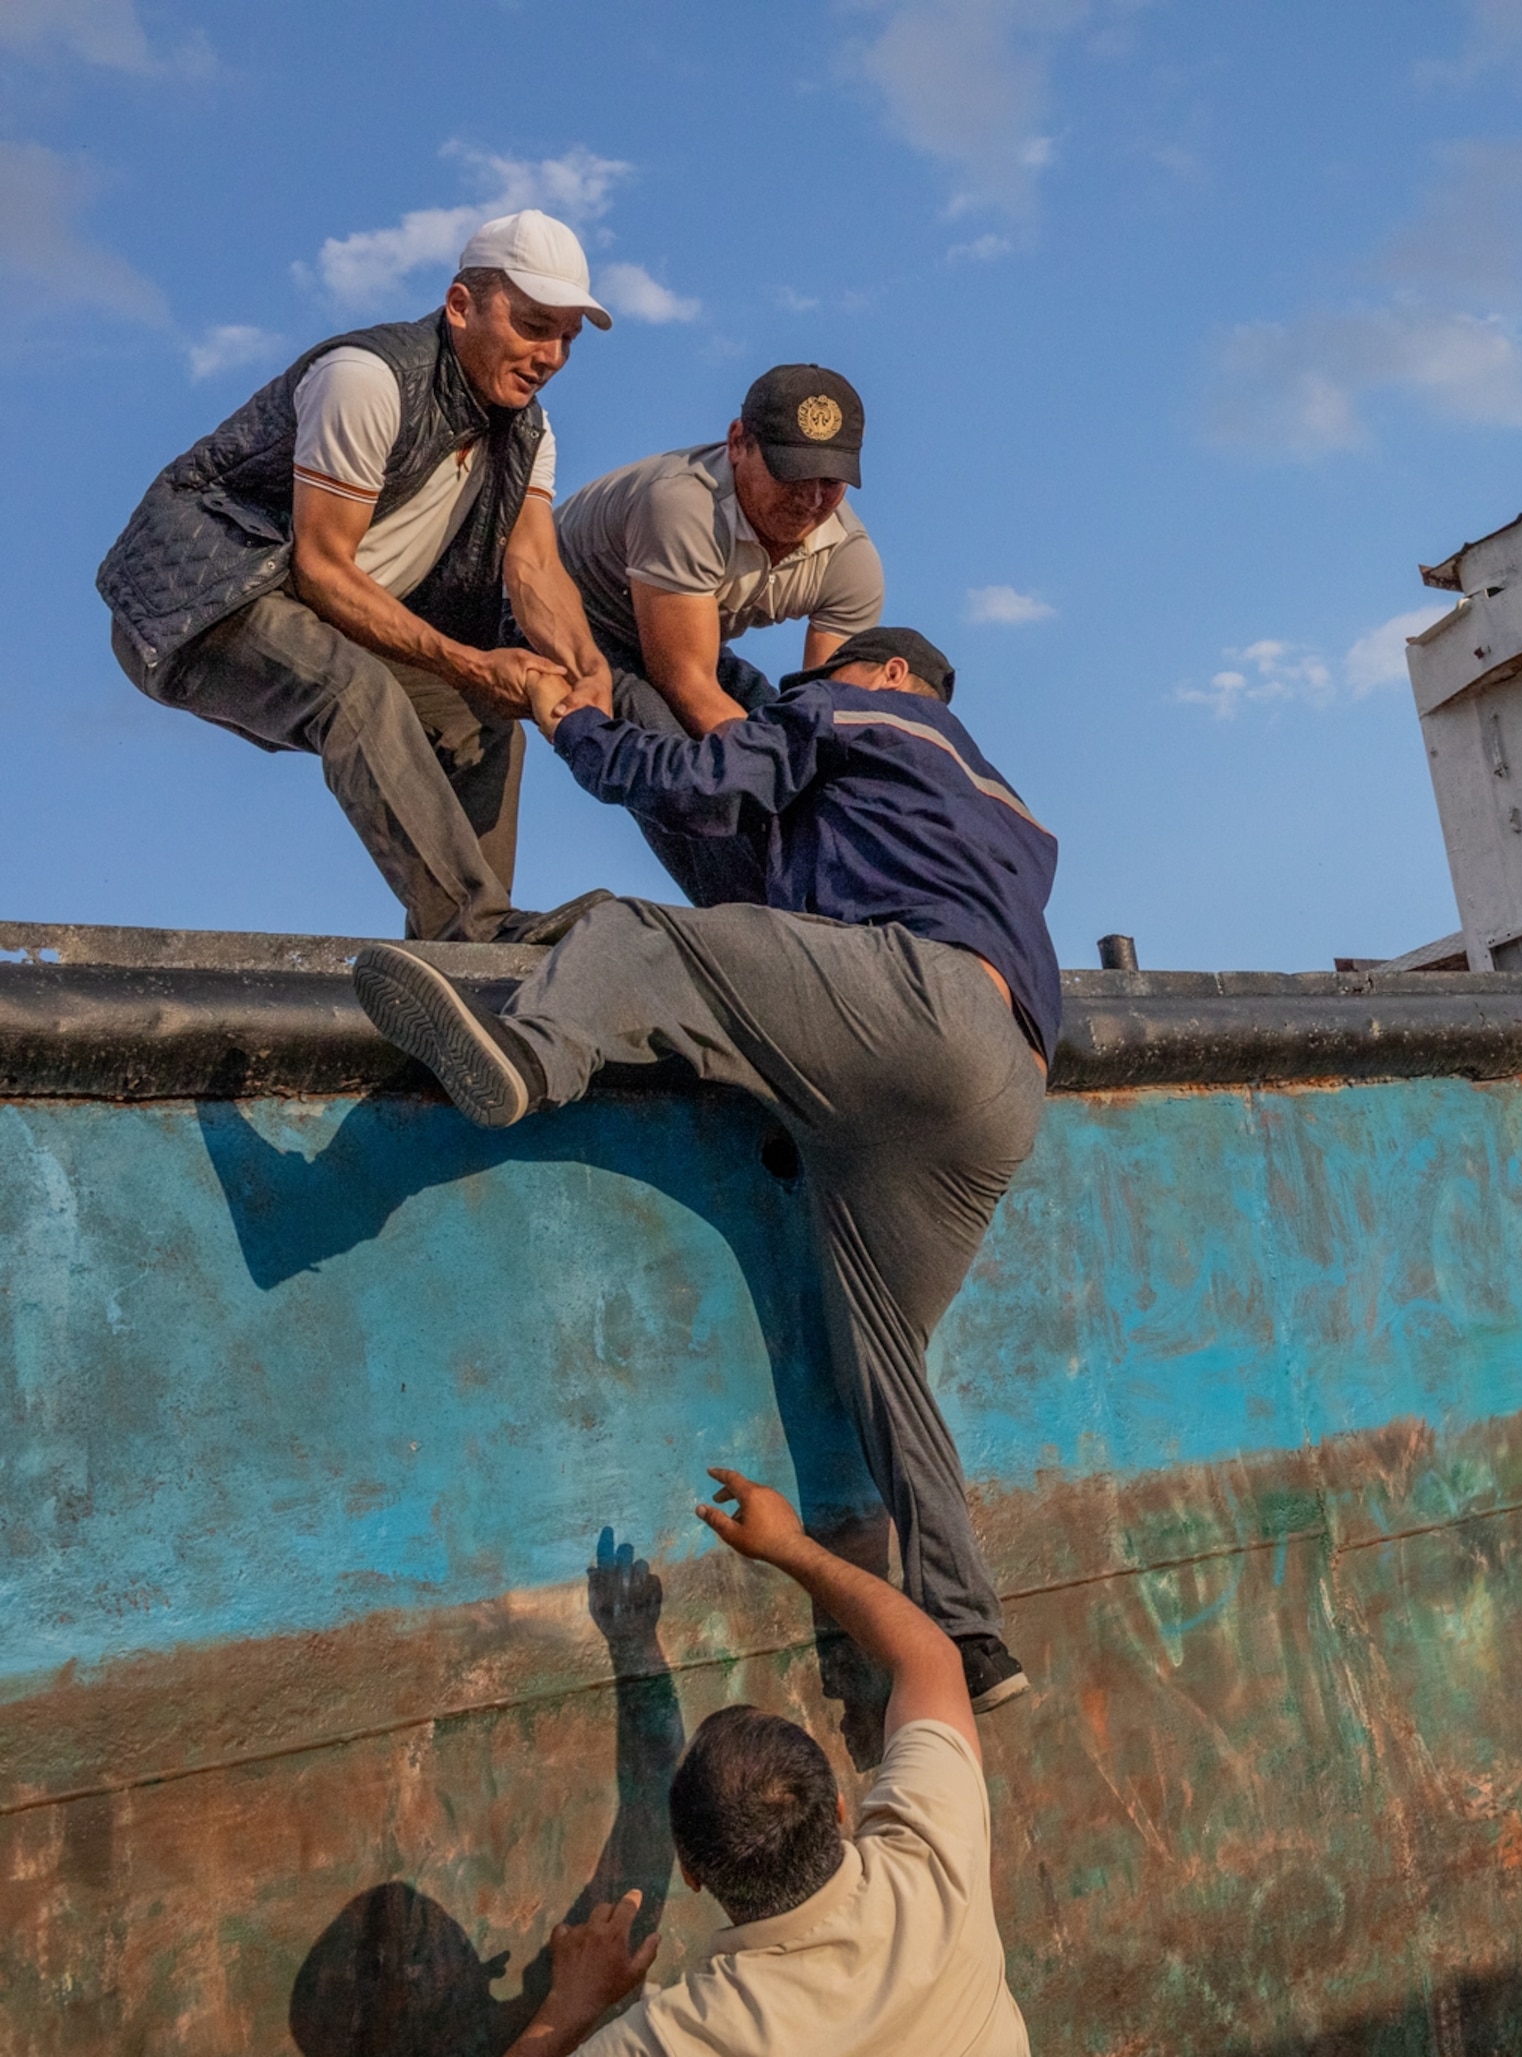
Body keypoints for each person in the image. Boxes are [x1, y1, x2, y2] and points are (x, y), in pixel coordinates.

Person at [348, 625, 1058, 1708]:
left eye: (817, 681)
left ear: (892, 671)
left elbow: (715, 772)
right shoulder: (1006, 807)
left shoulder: (864, 709)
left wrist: (579, 725)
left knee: (647, 936)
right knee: (884, 1362)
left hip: (915, 1012)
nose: (796, 697)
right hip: (1005, 1088)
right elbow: (746, 745)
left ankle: (528, 1055)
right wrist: (677, 658)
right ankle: (971, 1633)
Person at [95, 209, 619, 943]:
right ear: (461, 306)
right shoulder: (368, 379)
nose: (552, 354)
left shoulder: (530, 432)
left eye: (567, 336)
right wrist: (473, 660)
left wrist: (588, 668)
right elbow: (319, 568)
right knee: (355, 687)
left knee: (486, 718)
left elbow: (533, 564)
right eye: (535, 325)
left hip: (328, 614)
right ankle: (474, 931)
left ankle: (467, 967)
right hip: (209, 601)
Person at [508, 1466, 1033, 2057]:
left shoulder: (685, 2035)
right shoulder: (936, 1872)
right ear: (837, 1808)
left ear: (691, 1872)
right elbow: (930, 1658)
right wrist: (790, 1547)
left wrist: (570, 2006)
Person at [554, 366, 883, 907]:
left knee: (790, 733)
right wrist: (770, 768)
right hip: (571, 615)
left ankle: (824, 915)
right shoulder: (685, 506)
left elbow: (828, 715)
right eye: (792, 474)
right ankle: (744, 919)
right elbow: (682, 681)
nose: (810, 499)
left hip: (681, 631)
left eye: (830, 481)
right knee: (679, 755)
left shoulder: (850, 561)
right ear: (738, 444)